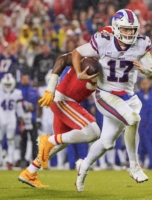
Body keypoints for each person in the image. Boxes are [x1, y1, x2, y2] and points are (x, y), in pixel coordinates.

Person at [72, 9, 152, 192]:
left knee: (107, 142)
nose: (129, 33)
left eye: (132, 29)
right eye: (125, 29)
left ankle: (84, 165)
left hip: (128, 96)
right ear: (117, 27)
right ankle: (134, 166)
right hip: (105, 94)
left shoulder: (141, 44)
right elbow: (77, 52)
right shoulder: (104, 41)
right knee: (133, 119)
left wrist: (145, 70)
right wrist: (80, 73)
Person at [18, 52, 100, 188]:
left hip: (66, 100)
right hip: (64, 100)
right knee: (93, 132)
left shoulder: (112, 68)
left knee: (61, 142)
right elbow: (61, 59)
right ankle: (47, 140)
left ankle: (29, 172)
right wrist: (50, 88)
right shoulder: (87, 53)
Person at [0, 73, 24, 169]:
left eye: (9, 84)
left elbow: (19, 109)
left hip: (11, 120)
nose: (7, 86)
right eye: (6, 84)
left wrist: (21, 122)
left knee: (11, 141)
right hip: (0, 119)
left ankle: (10, 161)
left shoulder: (17, 93)